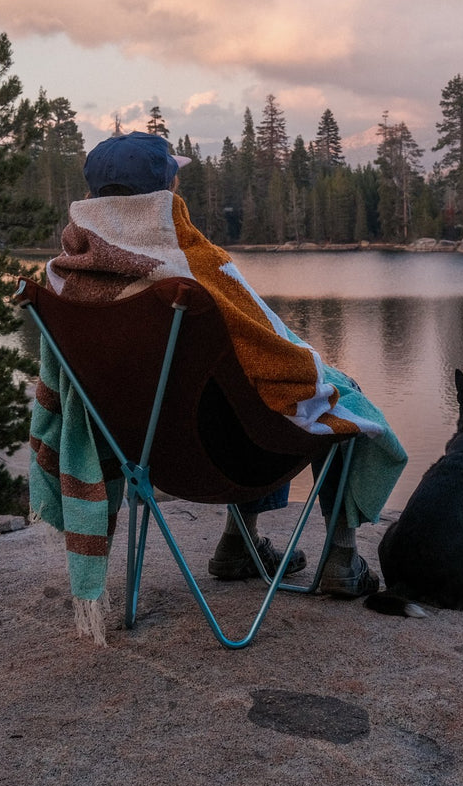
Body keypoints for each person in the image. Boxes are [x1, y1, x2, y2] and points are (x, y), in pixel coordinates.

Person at [37, 130, 405, 602]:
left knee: (239, 389)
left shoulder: (63, 280)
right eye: (174, 182)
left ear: (90, 199)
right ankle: (342, 556)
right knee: (329, 393)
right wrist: (324, 379)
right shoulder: (192, 270)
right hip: (227, 458)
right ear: (165, 194)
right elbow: (274, 353)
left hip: (144, 455)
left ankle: (240, 543)